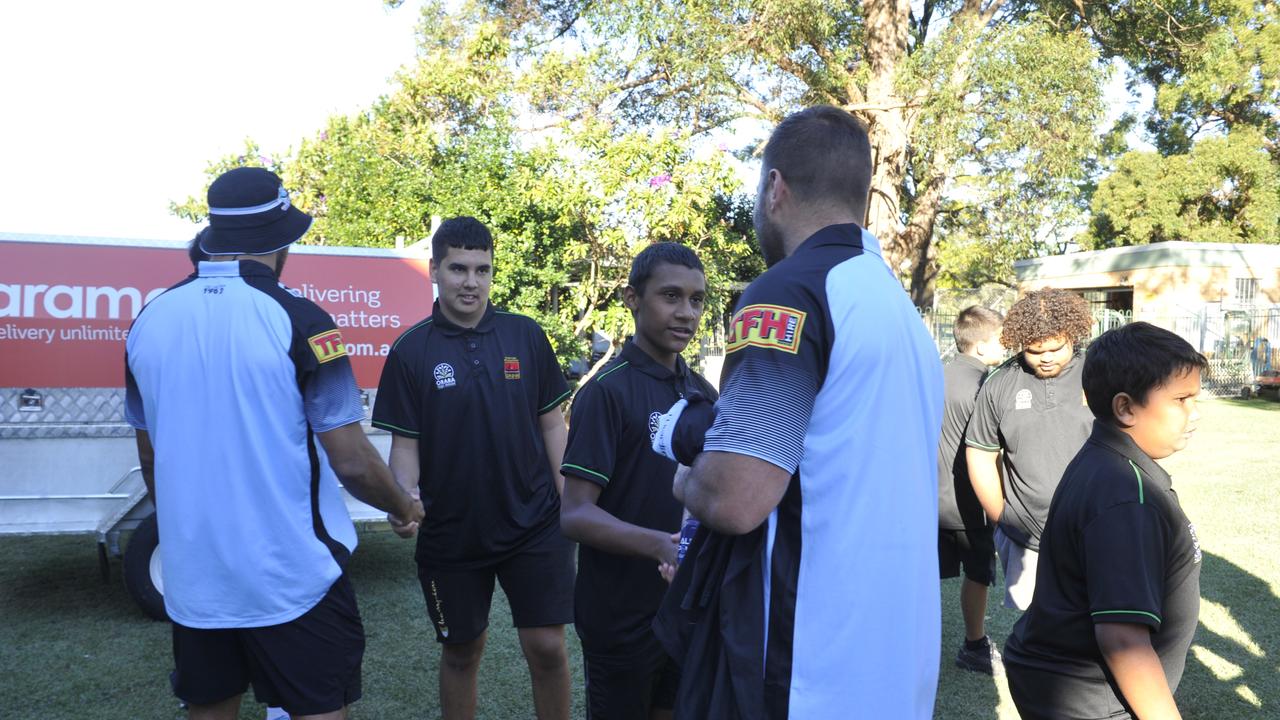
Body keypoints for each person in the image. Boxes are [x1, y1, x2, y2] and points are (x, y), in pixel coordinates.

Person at [650, 105, 944, 718]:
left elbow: (736, 497)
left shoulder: (790, 291)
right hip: (893, 652)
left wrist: (685, 478)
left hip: (806, 656)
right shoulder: (896, 307)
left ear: (775, 188)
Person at [125, 167, 423, 720]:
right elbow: (352, 461)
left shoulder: (148, 320)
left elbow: (150, 457)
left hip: (196, 582)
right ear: (281, 242)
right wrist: (405, 506)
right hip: (291, 577)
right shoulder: (303, 320)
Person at [372, 216, 573, 720]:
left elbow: (552, 426)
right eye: (458, 268)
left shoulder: (525, 336)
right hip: (452, 532)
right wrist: (404, 500)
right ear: (435, 271)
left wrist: (569, 500)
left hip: (535, 523)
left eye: (482, 270)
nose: (470, 281)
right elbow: (406, 443)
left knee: (547, 647)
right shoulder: (410, 351)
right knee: (462, 653)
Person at [1004, 322, 1205, 719]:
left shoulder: (1108, 461)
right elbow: (1122, 638)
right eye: (1181, 399)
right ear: (1126, 407)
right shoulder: (1126, 494)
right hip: (1091, 701)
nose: (1192, 413)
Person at [559, 243, 718, 720]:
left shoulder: (703, 393)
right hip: (620, 614)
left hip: (684, 606)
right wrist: (659, 546)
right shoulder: (607, 393)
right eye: (671, 296)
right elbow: (575, 514)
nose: (686, 313)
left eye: (697, 300)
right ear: (632, 298)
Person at [964, 288, 1095, 611]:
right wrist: (1002, 517)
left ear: (1072, 336)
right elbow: (980, 454)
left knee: (1097, 624)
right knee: (1036, 628)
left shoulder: (1099, 373)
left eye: (1055, 348)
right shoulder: (999, 384)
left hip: (1096, 531)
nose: (1046, 357)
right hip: (1024, 536)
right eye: (1035, 351)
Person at [937, 306, 1006, 675]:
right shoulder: (985, 385)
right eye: (999, 339)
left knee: (923, 576)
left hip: (929, 499)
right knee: (979, 574)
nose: (1005, 345)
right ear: (979, 346)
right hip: (970, 501)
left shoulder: (936, 375)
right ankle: (975, 645)